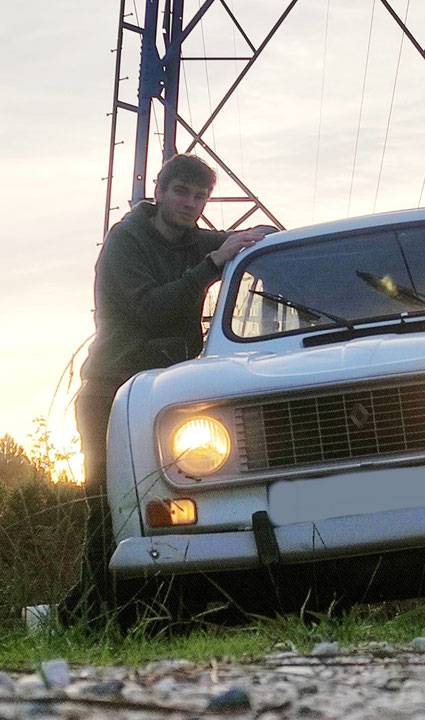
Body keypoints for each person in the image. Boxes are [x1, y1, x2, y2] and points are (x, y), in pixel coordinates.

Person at [67, 153, 271, 622]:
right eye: (181, 192)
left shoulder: (195, 240)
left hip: (167, 397)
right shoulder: (126, 242)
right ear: (159, 191)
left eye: (200, 196)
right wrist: (212, 266)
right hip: (112, 393)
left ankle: (175, 607)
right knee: (110, 505)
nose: (190, 203)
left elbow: (238, 242)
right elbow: (151, 310)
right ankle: (93, 613)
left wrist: (263, 241)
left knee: (184, 497)